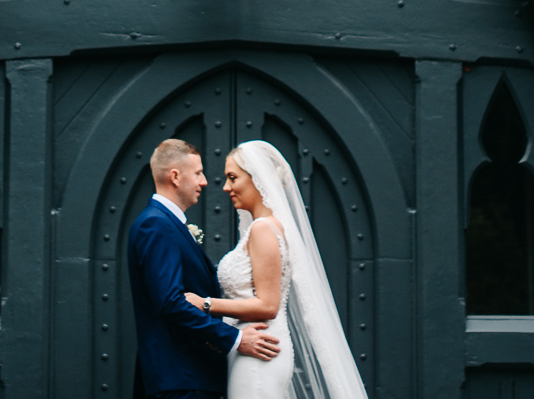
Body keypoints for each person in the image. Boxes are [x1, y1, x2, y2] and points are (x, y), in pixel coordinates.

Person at [182, 141, 369, 399]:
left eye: (233, 178)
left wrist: (205, 304)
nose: (226, 188)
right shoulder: (265, 228)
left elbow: (268, 305)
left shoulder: (263, 229)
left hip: (260, 353)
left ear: (257, 178)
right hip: (256, 350)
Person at [128, 138, 281, 399]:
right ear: (175, 176)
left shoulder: (165, 224)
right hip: (181, 380)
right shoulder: (155, 225)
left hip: (190, 377)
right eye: (198, 173)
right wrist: (235, 339)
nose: (205, 182)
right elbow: (171, 303)